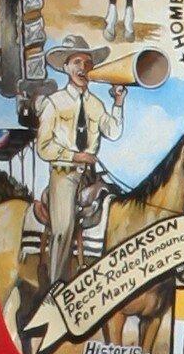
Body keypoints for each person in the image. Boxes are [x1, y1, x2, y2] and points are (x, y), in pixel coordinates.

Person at [34, 34, 125, 284]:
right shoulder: (54, 103)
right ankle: (54, 287)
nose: (81, 68)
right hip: (63, 175)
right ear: (66, 67)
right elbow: (43, 146)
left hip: (89, 176)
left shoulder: (96, 105)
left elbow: (113, 131)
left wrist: (118, 101)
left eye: (86, 63)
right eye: (76, 62)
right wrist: (75, 156)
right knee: (63, 229)